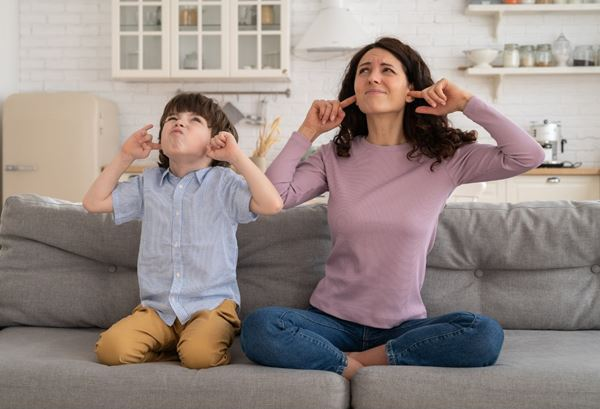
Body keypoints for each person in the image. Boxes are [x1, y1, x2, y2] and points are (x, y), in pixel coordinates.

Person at [240, 37, 545, 380]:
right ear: (353, 88)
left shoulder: (445, 158)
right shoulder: (333, 157)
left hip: (403, 327)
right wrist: (308, 132)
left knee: (483, 333)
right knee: (261, 327)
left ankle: (351, 363)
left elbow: (528, 156)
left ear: (411, 88)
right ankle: (362, 363)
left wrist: (467, 103)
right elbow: (274, 197)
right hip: (330, 322)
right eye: (364, 71)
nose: (373, 78)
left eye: (387, 70)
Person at [83, 92, 283, 369]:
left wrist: (236, 156)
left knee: (200, 356)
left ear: (215, 139)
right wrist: (125, 155)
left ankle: (197, 342)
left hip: (210, 306)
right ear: (161, 139)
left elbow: (272, 204)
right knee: (110, 350)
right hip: (158, 310)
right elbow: (93, 203)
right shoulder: (148, 183)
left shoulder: (224, 183)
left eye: (194, 120)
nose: (179, 123)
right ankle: (177, 346)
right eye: (173, 118)